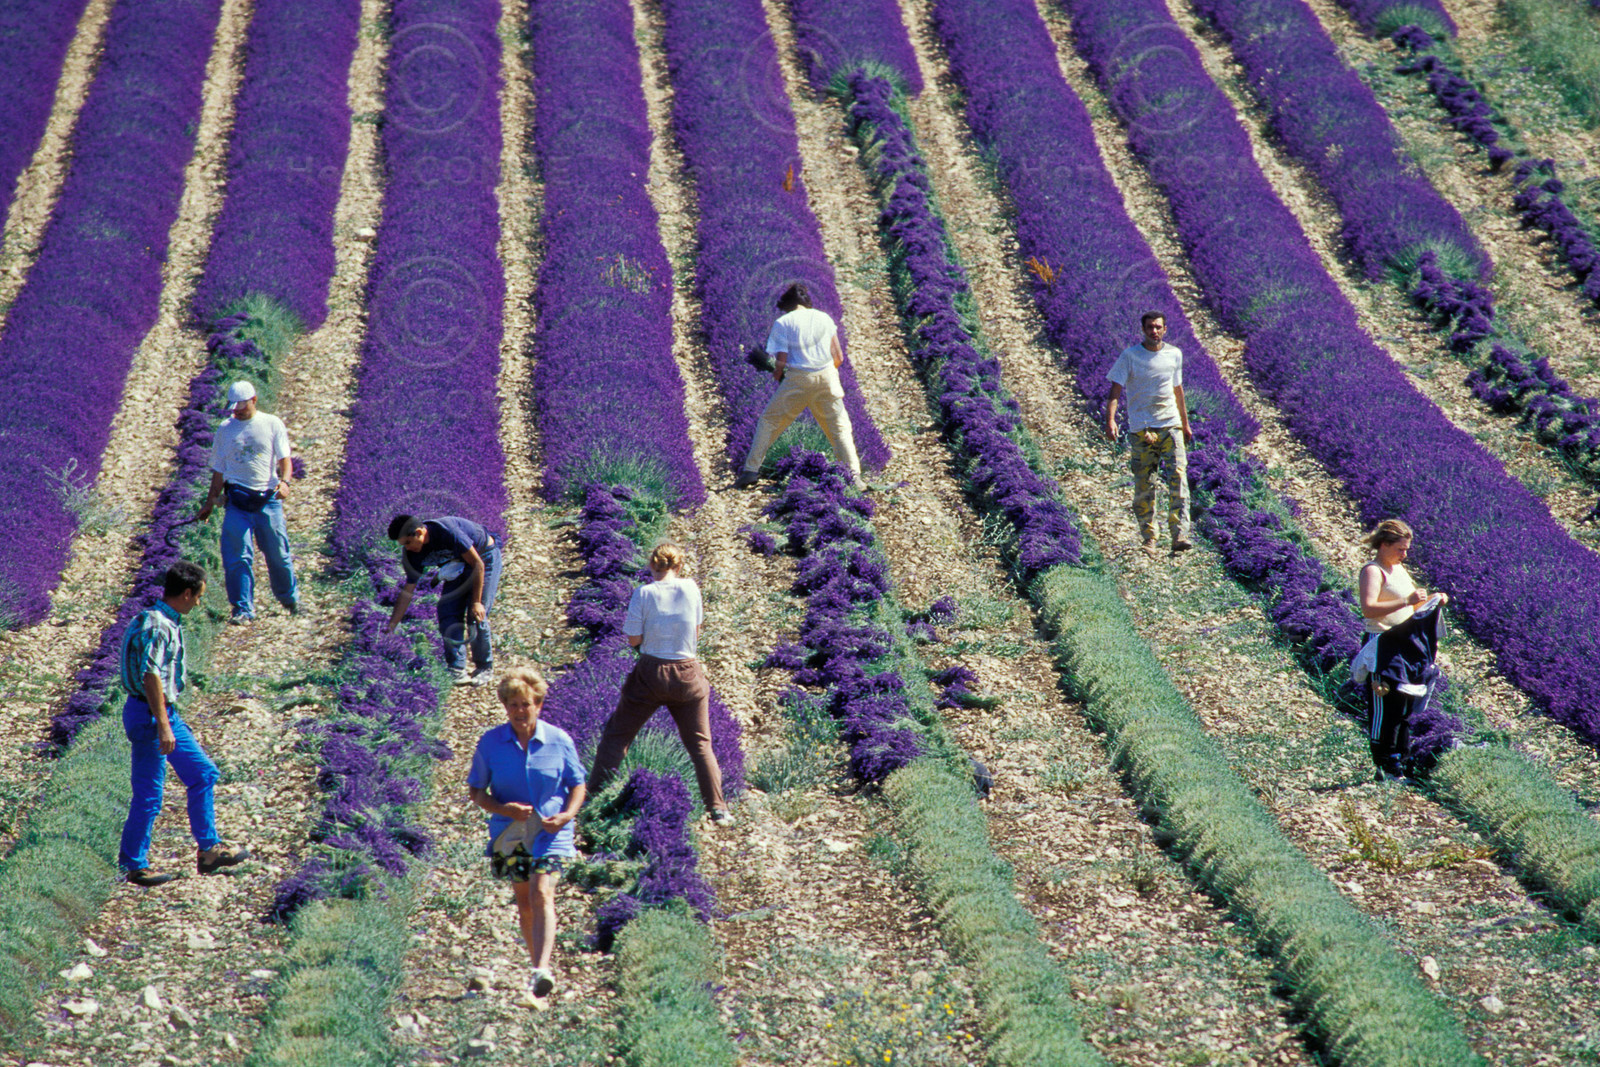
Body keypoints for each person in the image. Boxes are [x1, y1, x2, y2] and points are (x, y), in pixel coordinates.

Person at [118, 561, 250, 886]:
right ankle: (134, 864)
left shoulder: (161, 619)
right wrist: (162, 725)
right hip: (151, 715)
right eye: (199, 596)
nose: (199, 603)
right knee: (149, 795)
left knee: (203, 773)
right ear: (187, 593)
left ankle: (209, 850)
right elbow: (150, 676)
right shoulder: (158, 626)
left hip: (163, 713)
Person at [588, 543, 732, 825]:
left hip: (650, 674)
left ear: (652, 566)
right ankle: (718, 808)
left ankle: (592, 797)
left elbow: (633, 639)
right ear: (678, 567)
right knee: (701, 745)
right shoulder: (692, 588)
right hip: (688, 673)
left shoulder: (644, 593)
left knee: (617, 737)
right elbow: (696, 630)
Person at [467, 667, 585, 998]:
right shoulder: (491, 743)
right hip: (511, 832)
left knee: (542, 891)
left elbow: (578, 785)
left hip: (551, 832)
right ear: (505, 707)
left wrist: (567, 815)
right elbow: (476, 792)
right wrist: (506, 810)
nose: (520, 711)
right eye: (514, 705)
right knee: (524, 901)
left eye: (527, 704)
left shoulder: (559, 741)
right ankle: (537, 969)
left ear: (539, 704)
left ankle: (541, 969)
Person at [735, 283, 867, 492]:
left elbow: (781, 362)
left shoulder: (783, 322)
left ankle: (751, 471)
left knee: (769, 422)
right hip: (827, 377)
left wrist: (778, 375)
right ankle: (855, 477)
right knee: (840, 428)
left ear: (787, 306)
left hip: (797, 379)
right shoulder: (824, 318)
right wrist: (821, 375)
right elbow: (839, 357)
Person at [1352, 519, 1449, 781]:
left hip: (1404, 645)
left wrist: (1432, 601)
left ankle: (1401, 762)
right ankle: (1384, 765)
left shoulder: (1398, 569)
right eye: (1401, 549)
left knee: (1404, 706)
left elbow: (1410, 608)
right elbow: (1369, 608)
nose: (1405, 554)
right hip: (1382, 644)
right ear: (1384, 545)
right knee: (1385, 706)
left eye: (1406, 549)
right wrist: (1407, 600)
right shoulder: (1373, 571)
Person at [197, 380, 298, 623]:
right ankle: (242, 609)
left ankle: (289, 598)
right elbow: (219, 470)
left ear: (253, 400)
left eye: (242, 406)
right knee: (237, 558)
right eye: (234, 408)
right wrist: (210, 502)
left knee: (278, 555)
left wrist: (285, 483)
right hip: (236, 502)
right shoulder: (225, 429)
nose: (237, 411)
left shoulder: (271, 424)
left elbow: (285, 460)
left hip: (267, 500)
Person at [1105, 312, 1193, 554]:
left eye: (1158, 327)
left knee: (1178, 479)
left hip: (1170, 425)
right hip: (1142, 429)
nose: (1154, 331)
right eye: (1149, 327)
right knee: (1145, 484)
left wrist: (1185, 424)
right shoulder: (1130, 356)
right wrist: (1111, 420)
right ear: (1143, 329)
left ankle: (1179, 535)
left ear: (1165, 329)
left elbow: (1178, 390)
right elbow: (1115, 390)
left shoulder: (1174, 354)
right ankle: (1150, 538)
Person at [384, 514, 501, 685]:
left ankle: (484, 666)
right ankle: (456, 668)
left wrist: (476, 602)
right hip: (458, 564)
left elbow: (478, 565)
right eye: (403, 545)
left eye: (408, 543)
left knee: (475, 615)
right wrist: (391, 626)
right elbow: (407, 591)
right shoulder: (412, 554)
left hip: (484, 558)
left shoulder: (447, 531)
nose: (407, 548)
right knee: (447, 611)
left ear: (419, 532)